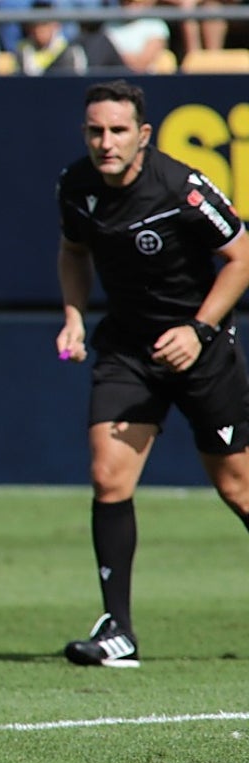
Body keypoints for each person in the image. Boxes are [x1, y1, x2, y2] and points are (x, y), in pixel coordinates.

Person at [56, 80, 249, 668]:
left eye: (117, 131)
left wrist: (198, 330)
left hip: (202, 350)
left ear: (142, 135)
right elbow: (73, 251)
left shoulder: (181, 188)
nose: (105, 142)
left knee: (238, 487)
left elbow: (242, 257)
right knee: (108, 476)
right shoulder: (76, 185)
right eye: (95, 130)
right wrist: (73, 317)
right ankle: (118, 630)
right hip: (129, 351)